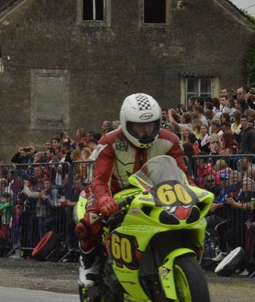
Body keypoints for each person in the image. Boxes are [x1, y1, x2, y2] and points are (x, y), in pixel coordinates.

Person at [75, 93, 188, 289]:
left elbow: (184, 176)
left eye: (151, 125)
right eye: (139, 126)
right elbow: (99, 180)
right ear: (126, 124)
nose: (146, 130)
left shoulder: (169, 140)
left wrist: (195, 194)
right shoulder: (110, 142)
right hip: (115, 193)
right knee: (90, 221)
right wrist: (104, 199)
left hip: (156, 193)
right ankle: (88, 263)